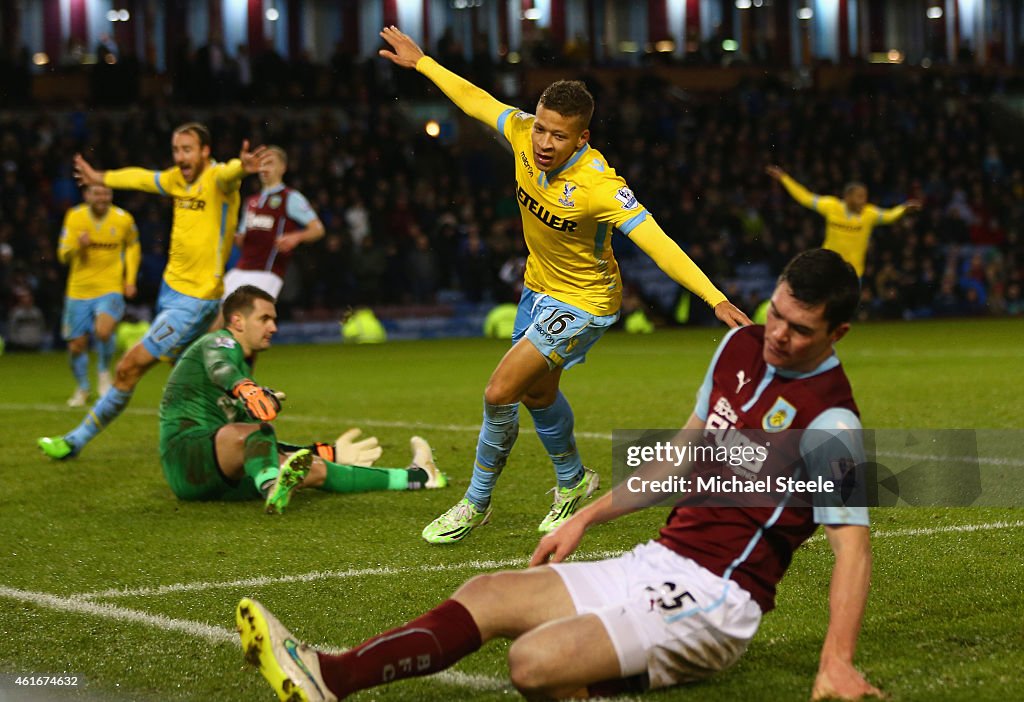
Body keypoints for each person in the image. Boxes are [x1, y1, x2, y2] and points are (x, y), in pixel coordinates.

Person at [236, 248, 880, 701]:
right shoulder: (737, 346)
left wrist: (836, 663)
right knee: (487, 592)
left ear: (838, 332)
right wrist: (586, 515)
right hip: (658, 559)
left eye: (799, 330)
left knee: (533, 663)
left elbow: (852, 550)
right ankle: (330, 675)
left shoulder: (833, 424)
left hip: (718, 603)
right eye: (774, 314)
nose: (777, 335)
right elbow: (682, 458)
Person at [378, 26, 751, 544]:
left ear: (583, 139)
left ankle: (474, 502)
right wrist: (423, 63)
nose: (545, 143)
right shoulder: (522, 132)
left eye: (559, 135)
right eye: (542, 130)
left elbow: (657, 241)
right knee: (536, 393)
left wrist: (715, 298)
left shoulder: (601, 186)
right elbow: (475, 100)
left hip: (585, 301)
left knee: (499, 391)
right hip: (538, 289)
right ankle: (574, 482)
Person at [38, 123, 267, 460]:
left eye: (188, 149)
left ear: (205, 151)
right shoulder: (176, 178)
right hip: (171, 290)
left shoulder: (218, 180)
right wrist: (101, 177)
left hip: (195, 299)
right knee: (201, 373)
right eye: (176, 150)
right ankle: (250, 426)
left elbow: (230, 175)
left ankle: (74, 441)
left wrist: (242, 167)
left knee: (129, 367)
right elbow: (141, 178)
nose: (180, 157)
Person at [160, 285, 446, 511]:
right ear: (237, 321)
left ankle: (418, 477)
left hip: (218, 477)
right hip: (186, 458)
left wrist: (326, 452)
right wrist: (247, 389)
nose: (273, 327)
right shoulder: (219, 342)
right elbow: (219, 366)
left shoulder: (243, 366)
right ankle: (272, 486)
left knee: (315, 469)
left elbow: (261, 444)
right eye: (264, 319)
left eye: (274, 319)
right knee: (259, 431)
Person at [56, 184, 140, 406]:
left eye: (106, 193)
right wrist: (79, 247)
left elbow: (133, 246)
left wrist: (129, 280)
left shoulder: (123, 218)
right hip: (79, 289)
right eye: (97, 193)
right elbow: (63, 255)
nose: (102, 197)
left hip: (110, 287)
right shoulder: (75, 217)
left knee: (104, 331)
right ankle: (83, 388)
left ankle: (104, 374)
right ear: (87, 195)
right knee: (76, 345)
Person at [766, 164, 921, 276]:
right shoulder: (831, 206)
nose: (863, 200)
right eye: (859, 196)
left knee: (844, 316)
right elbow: (805, 197)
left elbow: (889, 216)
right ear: (847, 197)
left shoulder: (870, 213)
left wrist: (904, 209)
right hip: (828, 269)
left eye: (865, 197)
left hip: (853, 274)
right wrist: (784, 178)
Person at [223, 145, 325, 300]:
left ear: (282, 167)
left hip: (267, 272)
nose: (264, 168)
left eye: (269, 163)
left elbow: (318, 229)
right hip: (241, 268)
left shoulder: (290, 197)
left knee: (249, 317)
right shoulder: (251, 201)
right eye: (261, 163)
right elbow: (243, 238)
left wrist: (295, 237)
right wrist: (235, 237)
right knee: (215, 311)